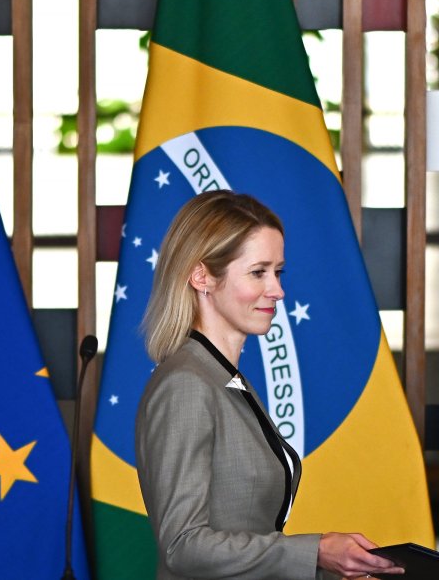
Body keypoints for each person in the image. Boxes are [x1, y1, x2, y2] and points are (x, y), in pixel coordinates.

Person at [135, 191, 402, 580]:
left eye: (278, 272)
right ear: (202, 276)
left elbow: (249, 543)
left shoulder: (222, 377)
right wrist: (316, 552)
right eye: (259, 272)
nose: (277, 290)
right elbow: (183, 545)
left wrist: (331, 568)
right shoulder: (187, 384)